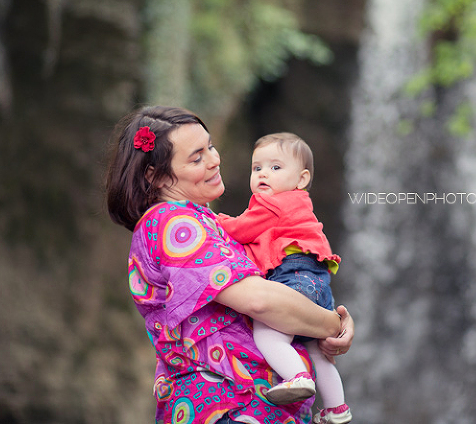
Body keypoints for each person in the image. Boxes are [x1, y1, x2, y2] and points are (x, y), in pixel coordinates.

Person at [105, 106, 354, 424]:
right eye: (197, 158)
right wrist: (333, 326)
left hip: (251, 406)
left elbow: (284, 293)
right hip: (222, 407)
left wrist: (332, 324)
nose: (214, 159)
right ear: (155, 176)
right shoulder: (169, 222)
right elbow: (260, 299)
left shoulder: (204, 220)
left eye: (210, 146)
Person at [217, 133, 351, 424]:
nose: (264, 173)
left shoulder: (274, 204)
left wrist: (214, 220)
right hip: (318, 282)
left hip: (293, 275)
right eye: (257, 168)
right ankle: (337, 408)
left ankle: (297, 377)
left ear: (301, 179)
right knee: (317, 350)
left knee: (269, 333)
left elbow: (240, 230)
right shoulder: (299, 204)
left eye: (276, 168)